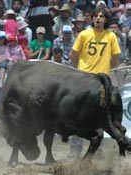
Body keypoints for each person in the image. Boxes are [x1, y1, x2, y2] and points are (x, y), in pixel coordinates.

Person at [68, 7, 121, 158]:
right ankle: (74, 151)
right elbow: (73, 54)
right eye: (95, 16)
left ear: (106, 20)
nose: (98, 18)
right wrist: (79, 69)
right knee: (76, 117)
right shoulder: (84, 34)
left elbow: (116, 58)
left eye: (101, 16)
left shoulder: (111, 36)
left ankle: (98, 153)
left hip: (101, 82)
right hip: (82, 80)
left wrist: (106, 68)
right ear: (91, 18)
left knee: (101, 118)